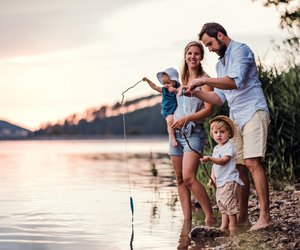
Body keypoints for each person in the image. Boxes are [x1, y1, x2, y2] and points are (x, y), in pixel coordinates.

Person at [185, 22, 273, 230]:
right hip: (236, 117)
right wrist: (195, 92)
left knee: (252, 163)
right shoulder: (219, 65)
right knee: (239, 167)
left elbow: (235, 82)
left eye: (210, 44)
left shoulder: (241, 50)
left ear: (221, 36)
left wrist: (202, 80)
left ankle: (265, 217)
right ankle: (242, 219)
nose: (210, 49)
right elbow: (218, 98)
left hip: (253, 111)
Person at [170, 41, 215, 225]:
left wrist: (187, 119)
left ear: (201, 57)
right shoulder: (182, 80)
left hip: (194, 133)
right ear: (185, 55)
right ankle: (187, 221)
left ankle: (209, 216)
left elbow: (209, 110)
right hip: (176, 134)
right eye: (190, 53)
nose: (193, 57)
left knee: (189, 177)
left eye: (197, 53)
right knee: (179, 179)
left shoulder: (205, 80)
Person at [200, 115, 244, 235]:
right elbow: (215, 166)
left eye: (222, 132)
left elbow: (223, 161)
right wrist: (212, 178)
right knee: (222, 204)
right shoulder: (216, 148)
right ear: (212, 134)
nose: (219, 135)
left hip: (229, 180)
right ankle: (223, 226)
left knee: (230, 205)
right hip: (220, 181)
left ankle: (233, 227)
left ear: (229, 134)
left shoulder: (229, 147)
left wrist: (209, 158)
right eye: (216, 132)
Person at [143, 67, 180, 147]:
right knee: (170, 121)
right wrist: (148, 80)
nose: (166, 85)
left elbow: (182, 93)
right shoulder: (164, 89)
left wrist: (175, 90)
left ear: (174, 82)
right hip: (168, 110)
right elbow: (155, 87)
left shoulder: (177, 89)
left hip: (177, 109)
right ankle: (173, 139)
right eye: (164, 83)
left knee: (177, 120)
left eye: (168, 83)